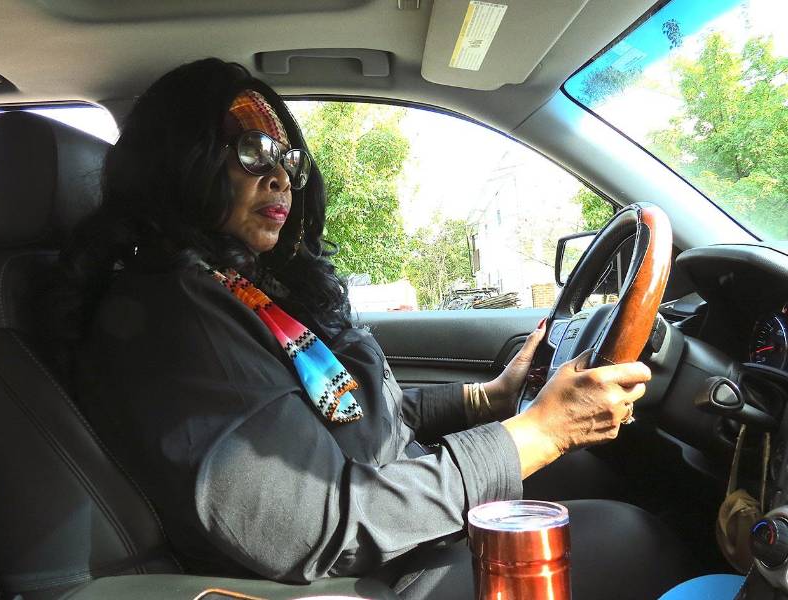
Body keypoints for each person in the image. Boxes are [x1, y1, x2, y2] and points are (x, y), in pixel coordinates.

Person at [50, 58, 696, 599]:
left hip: (384, 530)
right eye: (252, 150)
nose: (280, 176)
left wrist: (489, 399)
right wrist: (540, 431)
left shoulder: (236, 288)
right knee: (637, 542)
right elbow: (314, 526)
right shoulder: (173, 317)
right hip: (353, 579)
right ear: (177, 160)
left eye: (288, 158)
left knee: (592, 479)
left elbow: (345, 419)